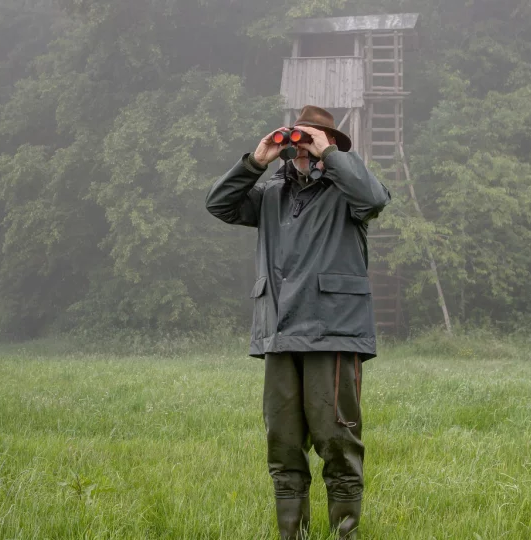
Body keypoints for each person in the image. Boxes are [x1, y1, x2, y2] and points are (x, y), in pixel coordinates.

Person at [205, 106, 390, 539]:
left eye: (311, 141)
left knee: (337, 442)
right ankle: (293, 534)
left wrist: (329, 152)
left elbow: (375, 198)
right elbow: (218, 203)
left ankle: (344, 533)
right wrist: (256, 160)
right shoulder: (270, 194)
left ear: (328, 145)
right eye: (298, 141)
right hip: (281, 331)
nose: (302, 148)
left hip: (333, 329)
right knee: (283, 444)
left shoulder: (348, 190)